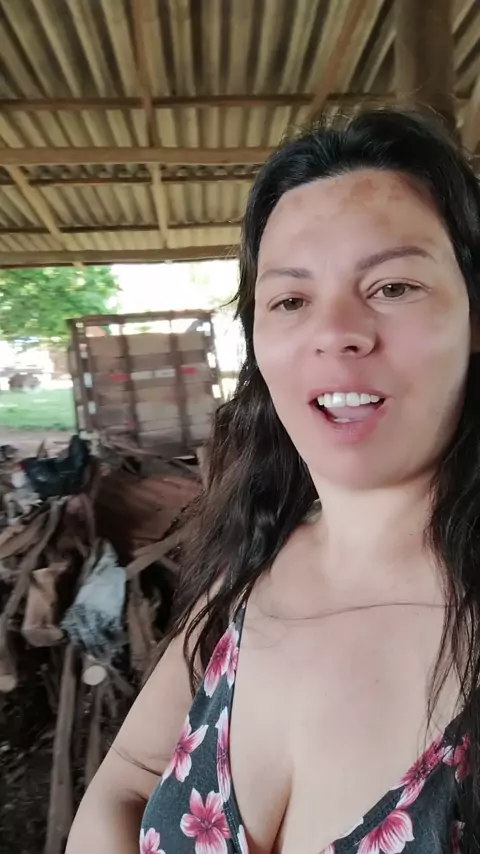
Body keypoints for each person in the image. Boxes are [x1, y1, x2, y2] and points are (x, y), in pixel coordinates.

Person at [67, 109, 480, 854]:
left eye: (392, 286)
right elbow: (126, 780)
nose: (335, 331)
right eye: (291, 299)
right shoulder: (247, 568)